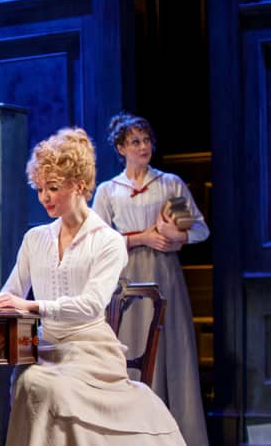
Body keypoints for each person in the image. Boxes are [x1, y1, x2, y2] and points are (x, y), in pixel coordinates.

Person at [0, 127, 184, 445]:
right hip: (42, 350)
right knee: (31, 378)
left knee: (39, 384)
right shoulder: (35, 238)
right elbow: (13, 291)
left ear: (80, 185)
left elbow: (91, 305)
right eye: (39, 189)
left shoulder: (108, 241)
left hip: (90, 353)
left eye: (53, 188)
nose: (44, 197)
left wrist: (30, 306)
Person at [92, 112, 210, 446]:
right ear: (120, 148)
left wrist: (176, 237)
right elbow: (97, 241)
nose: (143, 147)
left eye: (146, 140)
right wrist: (141, 237)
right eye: (135, 142)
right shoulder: (109, 191)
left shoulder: (168, 185)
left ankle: (176, 434)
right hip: (127, 280)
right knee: (131, 349)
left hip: (164, 277)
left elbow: (198, 229)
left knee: (170, 351)